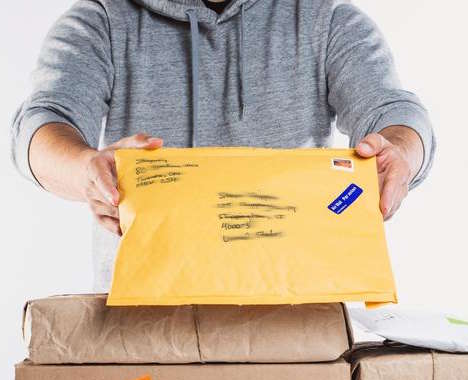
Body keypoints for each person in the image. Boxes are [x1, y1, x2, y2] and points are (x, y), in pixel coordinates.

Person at [11, 0, 436, 292]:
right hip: (140, 323)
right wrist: (85, 170)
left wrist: (400, 150)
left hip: (295, 322)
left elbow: (393, 111)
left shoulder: (325, 18)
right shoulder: (101, 18)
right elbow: (41, 125)